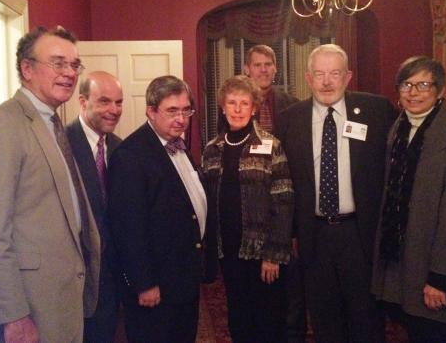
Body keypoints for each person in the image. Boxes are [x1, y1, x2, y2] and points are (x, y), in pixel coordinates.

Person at [0, 27, 101, 343]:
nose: (69, 73)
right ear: (27, 68)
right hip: (29, 308)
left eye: (74, 65)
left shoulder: (51, 123)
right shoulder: (0, 124)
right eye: (58, 63)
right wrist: (13, 315)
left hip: (62, 298)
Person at [276, 43, 397, 343]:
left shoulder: (376, 110)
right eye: (319, 74)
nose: (327, 81)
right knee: (324, 316)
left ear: (348, 76)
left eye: (334, 73)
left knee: (365, 316)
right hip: (313, 234)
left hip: (360, 232)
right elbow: (283, 178)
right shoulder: (289, 119)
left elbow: (407, 143)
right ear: (308, 78)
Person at [372, 56, 446, 343]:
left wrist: (440, 279)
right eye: (407, 85)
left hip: (438, 271)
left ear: (440, 90)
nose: (413, 92)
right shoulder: (399, 130)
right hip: (405, 264)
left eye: (423, 84)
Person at [107, 75, 207, 343]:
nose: (181, 118)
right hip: (156, 287)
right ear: (150, 111)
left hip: (182, 279)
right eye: (172, 111)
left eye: (186, 110)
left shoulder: (179, 146)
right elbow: (128, 228)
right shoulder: (130, 156)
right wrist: (144, 283)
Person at [202, 75, 294, 343]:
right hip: (227, 250)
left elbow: (284, 201)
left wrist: (273, 255)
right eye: (232, 102)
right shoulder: (212, 150)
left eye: (245, 103)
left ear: (254, 108)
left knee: (267, 320)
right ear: (223, 107)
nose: (238, 109)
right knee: (238, 317)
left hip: (263, 253)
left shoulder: (271, 146)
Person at [242, 45, 305, 343]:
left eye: (269, 64)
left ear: (276, 69)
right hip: (251, 203)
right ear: (247, 69)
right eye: (258, 65)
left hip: (285, 193)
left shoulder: (292, 105)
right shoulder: (235, 104)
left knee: (290, 286)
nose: (264, 70)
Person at [66, 71, 123, 343]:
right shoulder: (61, 144)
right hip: (74, 278)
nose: (114, 110)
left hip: (111, 277)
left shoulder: (120, 148)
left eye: (119, 102)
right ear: (83, 101)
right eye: (104, 102)